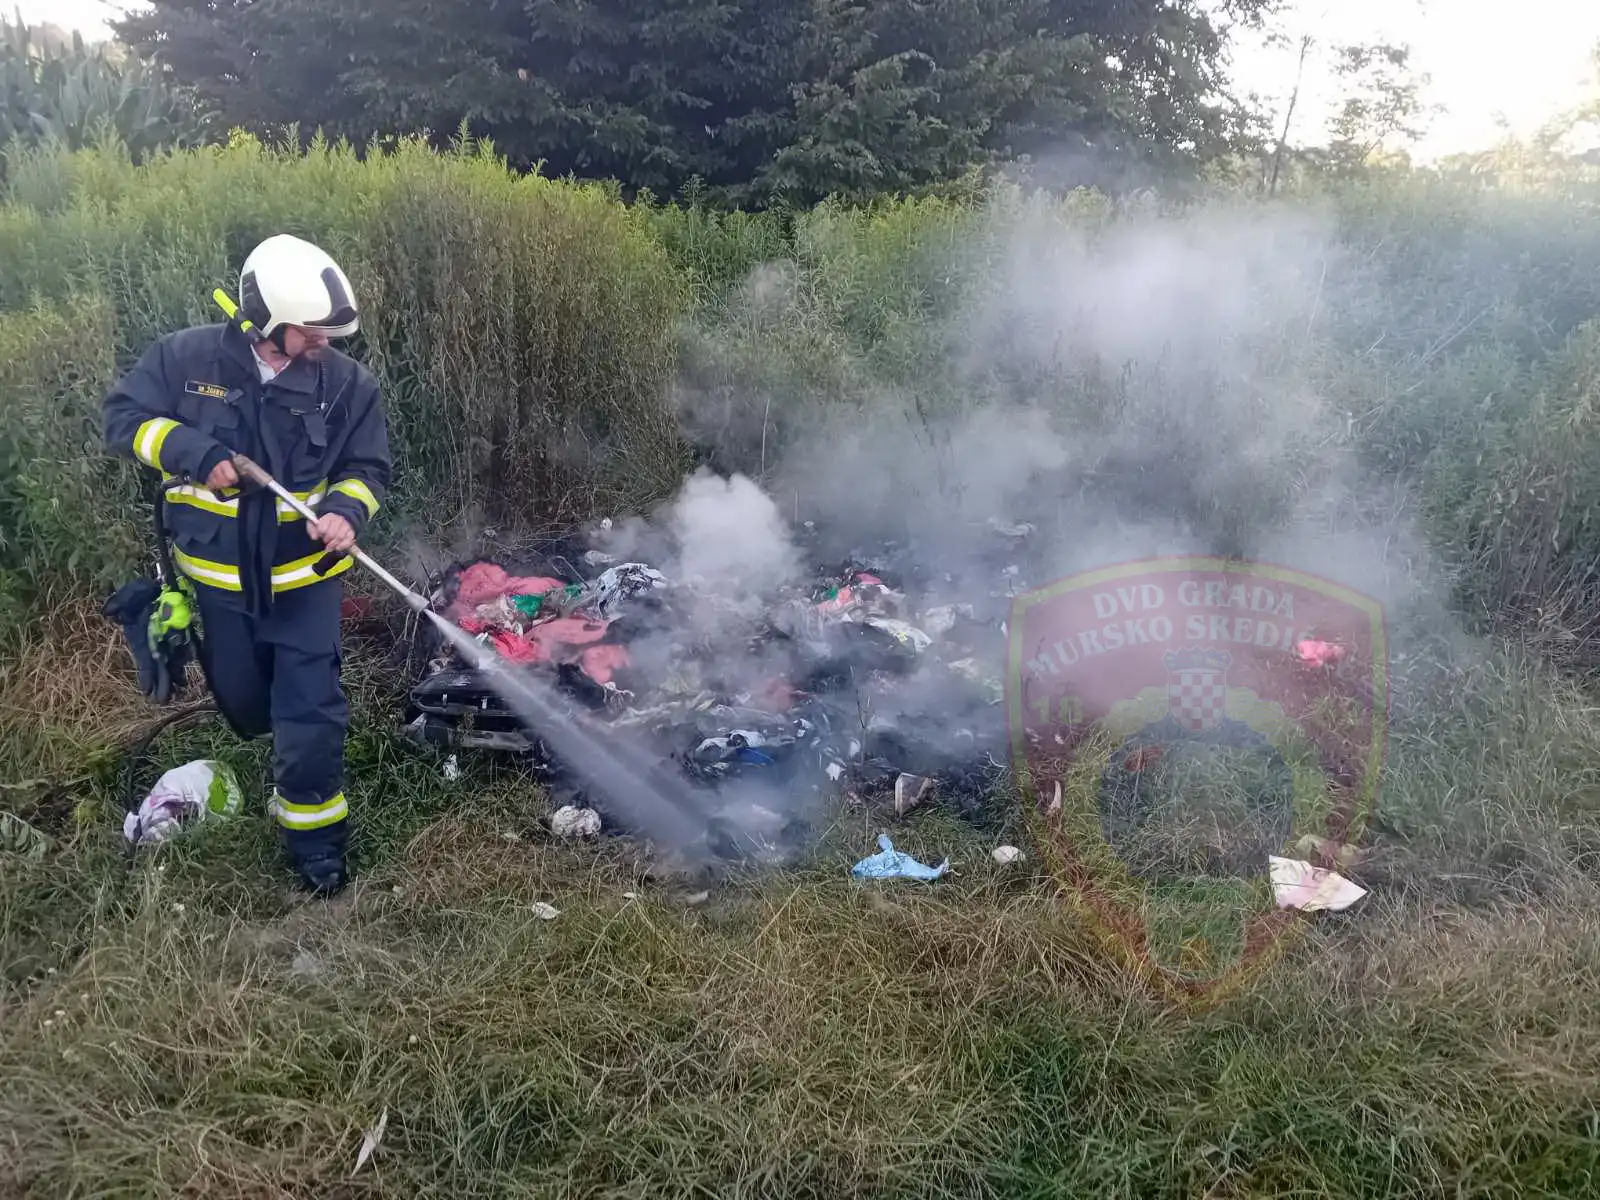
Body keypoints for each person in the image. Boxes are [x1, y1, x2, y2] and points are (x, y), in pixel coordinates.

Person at [103, 234, 392, 895]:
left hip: (304, 588)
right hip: (215, 586)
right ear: (265, 318)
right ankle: (271, 749)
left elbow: (369, 467)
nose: (323, 343)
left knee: (309, 711)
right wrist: (192, 451)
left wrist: (348, 509)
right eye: (309, 332)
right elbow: (124, 419)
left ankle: (316, 843)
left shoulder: (347, 385)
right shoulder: (186, 359)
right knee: (246, 707)